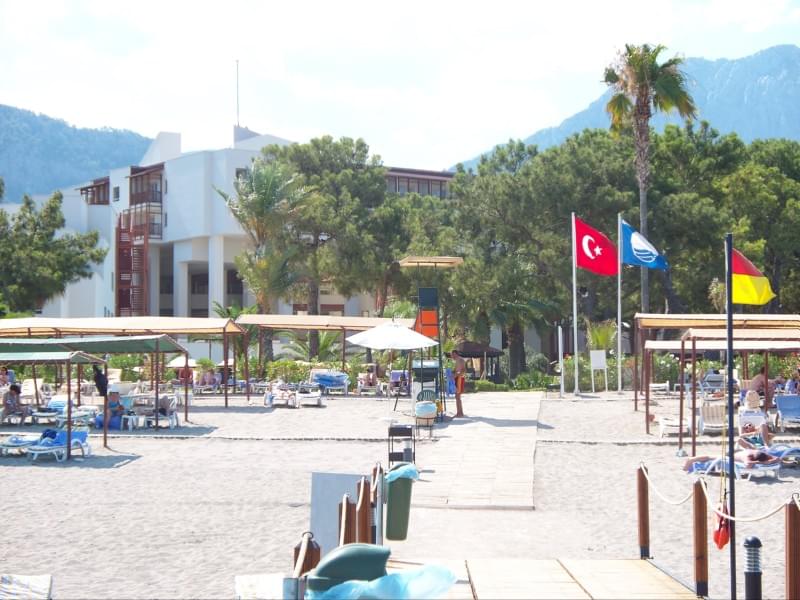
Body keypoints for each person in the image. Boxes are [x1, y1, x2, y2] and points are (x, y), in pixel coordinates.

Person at [684, 449, 780, 472]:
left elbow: (777, 458)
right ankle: (692, 460)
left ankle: (693, 460)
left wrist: (771, 460)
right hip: (730, 456)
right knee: (711, 458)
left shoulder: (761, 453)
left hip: (738, 452)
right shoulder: (749, 456)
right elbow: (748, 465)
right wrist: (761, 462)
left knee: (711, 457)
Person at [451, 350, 466, 417]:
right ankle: (459, 412)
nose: (452, 356)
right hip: (457, 378)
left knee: (458, 396)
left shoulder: (460, 360)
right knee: (457, 396)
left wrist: (456, 375)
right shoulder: (456, 361)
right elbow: (456, 370)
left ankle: (460, 413)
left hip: (459, 378)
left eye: (453, 354)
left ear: (456, 354)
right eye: (451, 355)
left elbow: (463, 370)